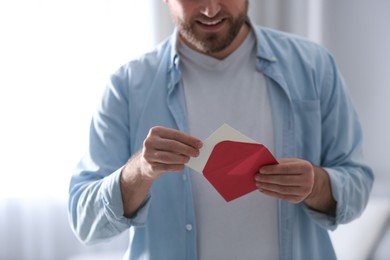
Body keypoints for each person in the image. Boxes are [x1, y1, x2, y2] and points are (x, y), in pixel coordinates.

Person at [68, 0, 374, 259]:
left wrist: (317, 185)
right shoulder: (126, 86)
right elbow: (85, 222)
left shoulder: (314, 66)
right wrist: (139, 171)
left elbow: (358, 183)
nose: (211, 9)